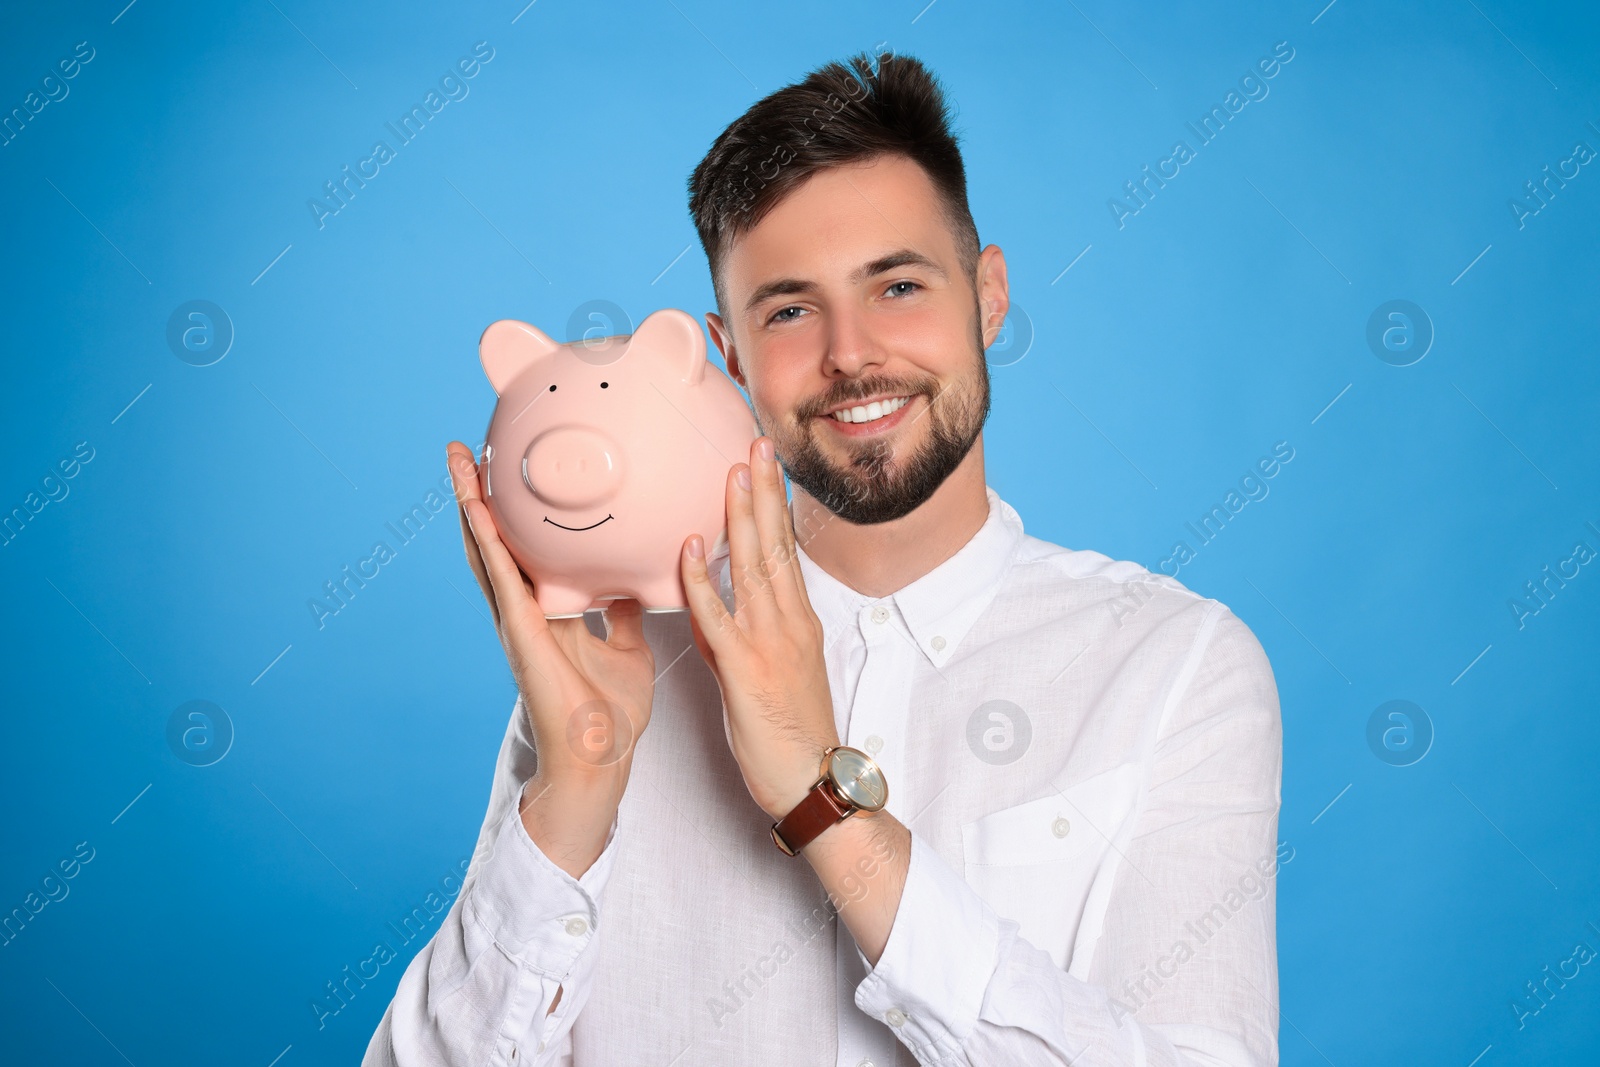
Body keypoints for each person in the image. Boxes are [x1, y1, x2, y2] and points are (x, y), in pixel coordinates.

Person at [365, 50, 1282, 1067]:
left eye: (897, 284)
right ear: (728, 353)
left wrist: (820, 794)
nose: (850, 353)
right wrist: (574, 786)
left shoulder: (1174, 664)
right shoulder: (617, 666)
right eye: (791, 309)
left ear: (988, 296)